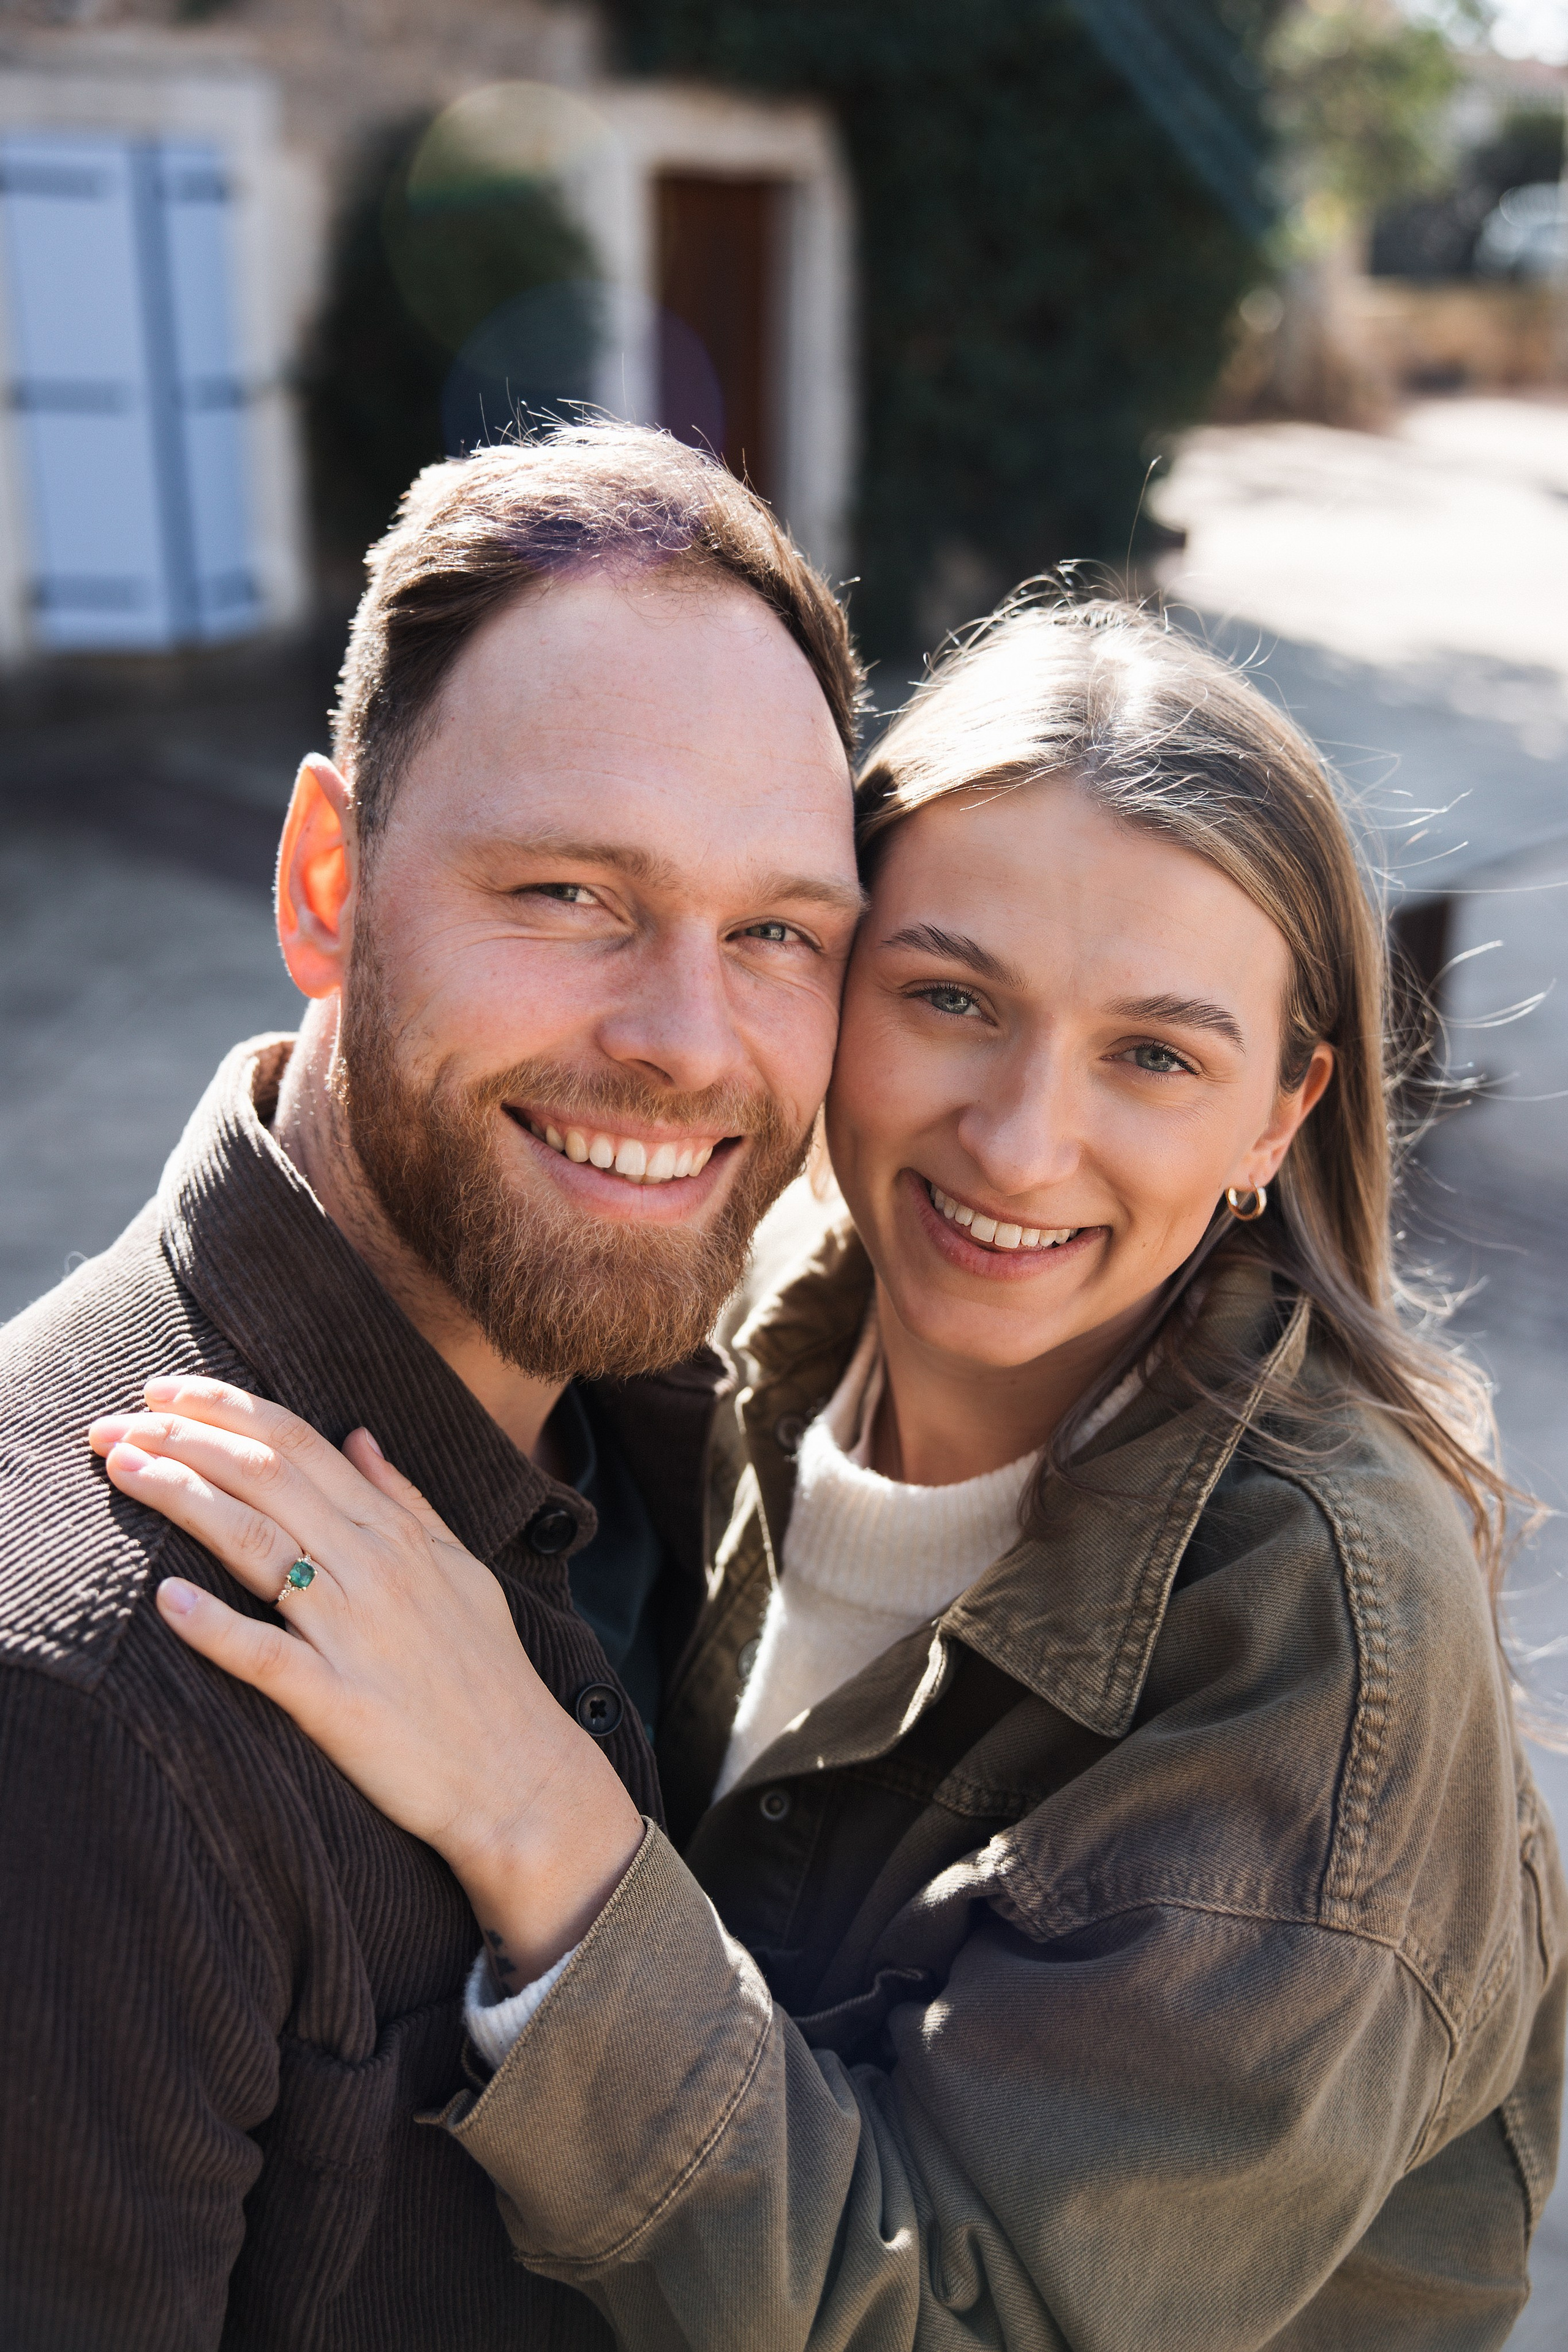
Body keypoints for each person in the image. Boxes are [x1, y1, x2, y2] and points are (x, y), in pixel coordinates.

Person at [92, 591, 1568, 2349]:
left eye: (1155, 1055)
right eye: (951, 997)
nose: (1022, 1140)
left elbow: (955, 2323)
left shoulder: (1320, 1650)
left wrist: (537, 1814)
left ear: (1281, 1112)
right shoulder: (728, 1343)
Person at [0, 423, 867, 2349]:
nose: (684, 1042)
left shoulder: (694, 1451)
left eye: (780, 933)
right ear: (328, 879)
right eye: (568, 894)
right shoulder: (83, 1700)